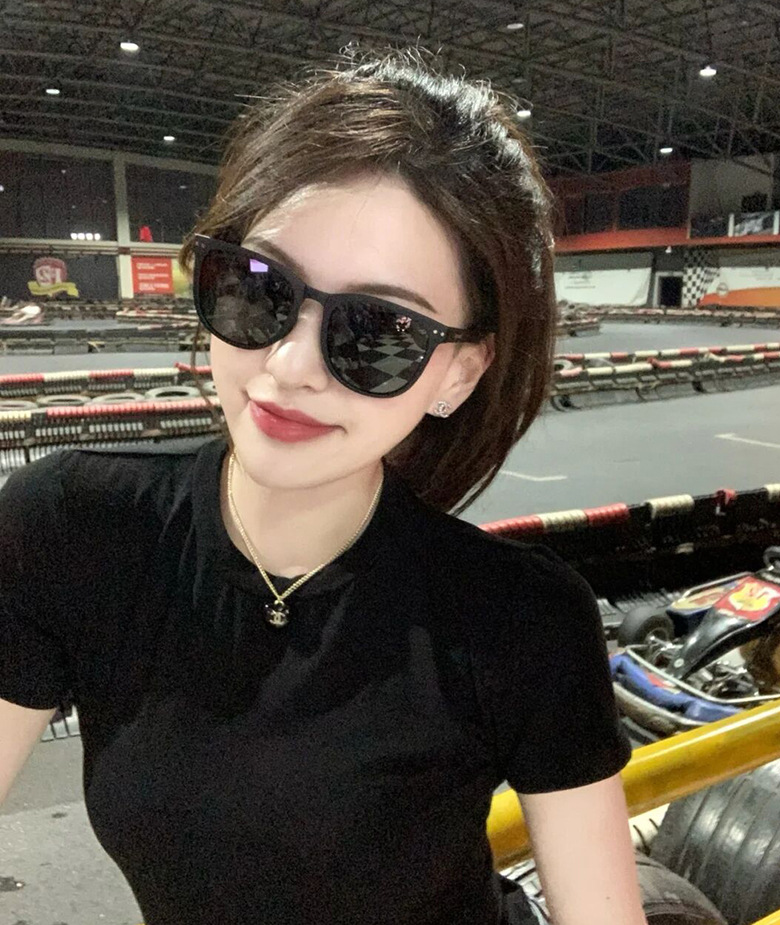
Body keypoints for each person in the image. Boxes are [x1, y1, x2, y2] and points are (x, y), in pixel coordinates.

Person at [0, 47, 643, 925]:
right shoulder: (71, 528)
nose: (291, 364)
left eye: (376, 331)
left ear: (460, 372)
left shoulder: (520, 621)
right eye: (257, 288)